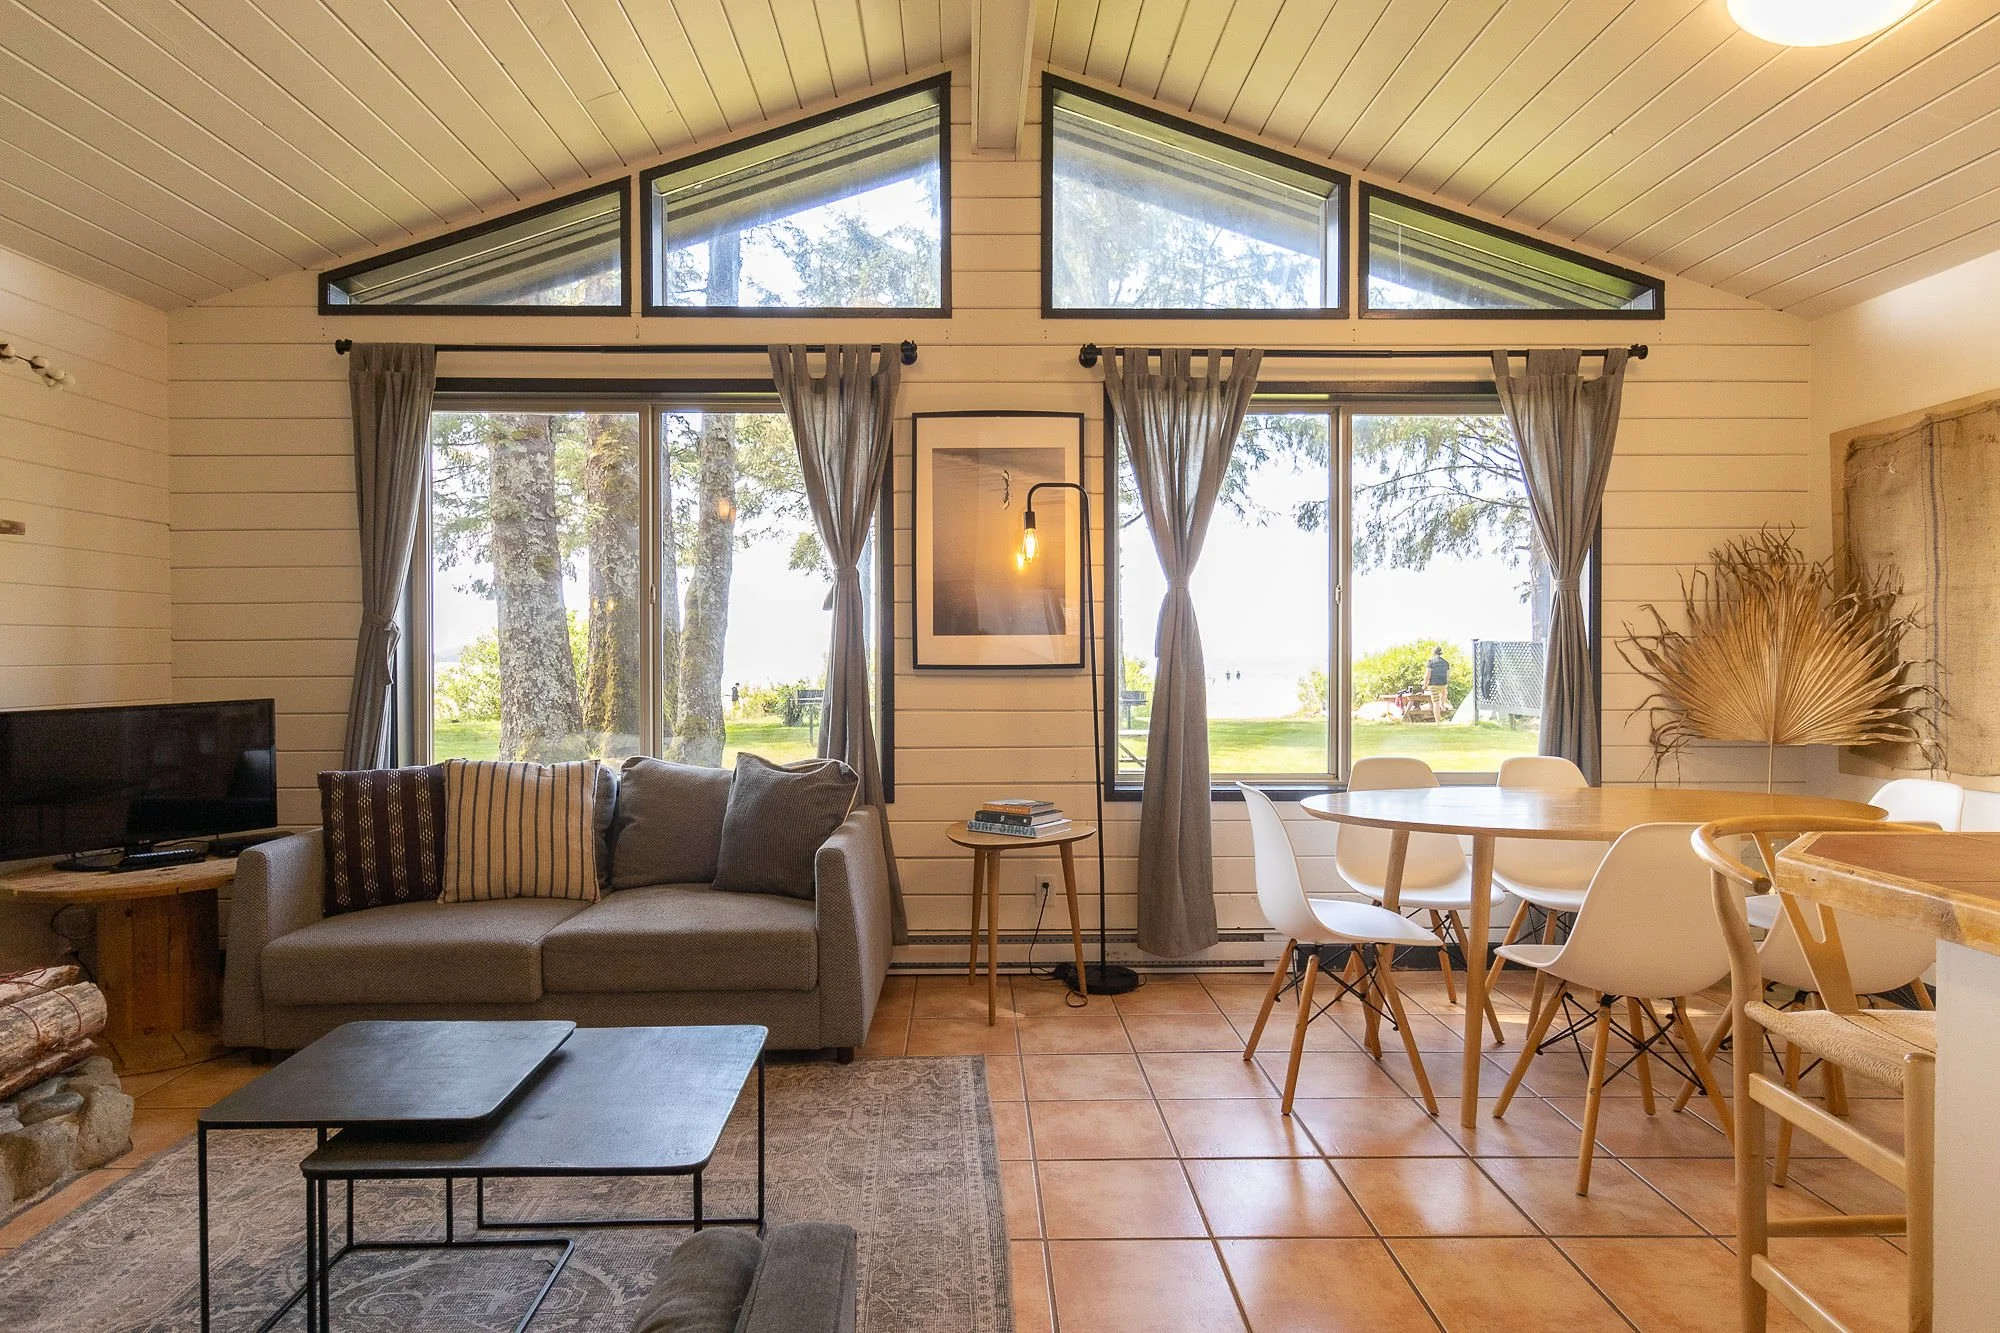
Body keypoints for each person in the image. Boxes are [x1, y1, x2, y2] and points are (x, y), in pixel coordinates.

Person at [1425, 646, 1451, 723]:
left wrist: (1425, 684)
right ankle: (1442, 705)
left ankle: (1438, 721)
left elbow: (1428, 674)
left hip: (1433, 684)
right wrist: (1446, 683)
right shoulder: (1446, 662)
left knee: (1435, 703)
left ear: (1433, 653)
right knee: (1444, 693)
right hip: (1443, 684)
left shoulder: (1431, 662)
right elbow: (1448, 676)